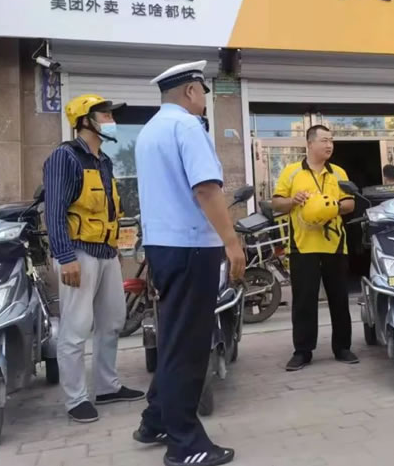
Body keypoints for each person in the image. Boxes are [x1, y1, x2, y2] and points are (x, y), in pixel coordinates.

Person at [131, 61, 245, 466]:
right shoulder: (187, 127)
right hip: (192, 247)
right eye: (203, 91)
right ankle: (186, 444)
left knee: (174, 337)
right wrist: (231, 242)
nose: (204, 100)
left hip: (163, 247)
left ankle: (156, 420)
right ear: (191, 92)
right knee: (190, 347)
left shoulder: (149, 131)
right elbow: (207, 189)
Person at [43, 94, 145, 423]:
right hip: (77, 253)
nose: (111, 120)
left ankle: (107, 386)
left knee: (112, 321)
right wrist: (65, 256)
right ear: (85, 121)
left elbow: (109, 210)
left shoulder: (104, 161)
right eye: (105, 114)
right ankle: (76, 399)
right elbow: (54, 211)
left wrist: (115, 250)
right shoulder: (65, 157)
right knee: (75, 329)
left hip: (105, 253)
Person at [272, 125, 358, 372]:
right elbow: (276, 203)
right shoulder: (291, 172)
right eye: (324, 140)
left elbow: (350, 204)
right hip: (302, 246)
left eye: (331, 140)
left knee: (339, 299)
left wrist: (329, 208)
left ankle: (342, 347)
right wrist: (293, 200)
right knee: (304, 301)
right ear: (310, 144)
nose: (329, 145)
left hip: (335, 245)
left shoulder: (338, 172)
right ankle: (302, 351)